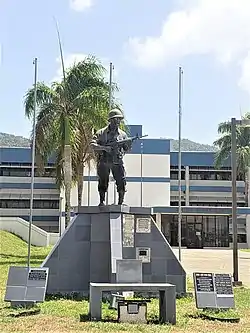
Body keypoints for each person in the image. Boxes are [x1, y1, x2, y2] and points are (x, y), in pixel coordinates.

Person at [90, 108, 131, 206]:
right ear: (110, 120)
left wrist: (127, 144)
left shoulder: (122, 134)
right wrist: (104, 148)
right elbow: (92, 145)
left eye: (119, 119)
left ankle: (121, 202)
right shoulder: (101, 133)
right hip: (104, 160)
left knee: (121, 180)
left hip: (117, 160)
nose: (118, 122)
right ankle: (102, 201)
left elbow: (127, 149)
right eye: (116, 119)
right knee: (103, 181)